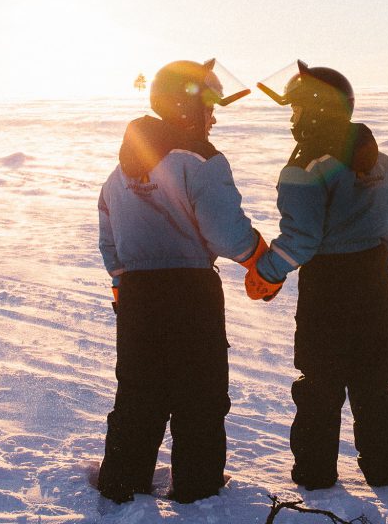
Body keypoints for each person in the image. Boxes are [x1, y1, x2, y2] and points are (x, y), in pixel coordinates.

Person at [96, 59, 268, 504]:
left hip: (136, 295)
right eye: (209, 107)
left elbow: (108, 239)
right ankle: (197, 490)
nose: (213, 117)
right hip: (190, 293)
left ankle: (120, 483)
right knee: (200, 395)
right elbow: (226, 233)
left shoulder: (119, 172)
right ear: (186, 107)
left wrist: (122, 287)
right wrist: (259, 257)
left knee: (138, 391)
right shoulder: (200, 159)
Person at [244, 62, 388, 490]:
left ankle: (315, 474)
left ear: (314, 113)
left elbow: (301, 238)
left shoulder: (305, 167)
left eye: (295, 110)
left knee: (320, 381)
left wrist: (266, 272)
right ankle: (383, 468)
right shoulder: (383, 163)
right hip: (373, 281)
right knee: (374, 378)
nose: (292, 120)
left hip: (328, 287)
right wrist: (381, 265)